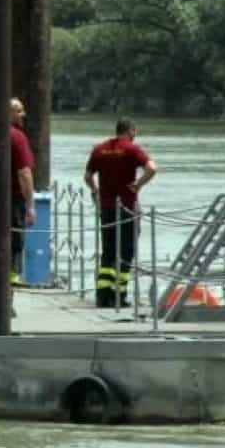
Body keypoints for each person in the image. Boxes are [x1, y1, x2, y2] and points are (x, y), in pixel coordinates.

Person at [84, 118, 157, 308]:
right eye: (135, 132)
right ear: (130, 131)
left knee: (108, 251)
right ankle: (119, 295)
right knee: (126, 250)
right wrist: (138, 185)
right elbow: (152, 168)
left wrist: (95, 191)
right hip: (126, 206)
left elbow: (88, 176)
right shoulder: (132, 149)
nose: (135, 135)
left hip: (106, 207)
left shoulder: (99, 149)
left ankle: (102, 295)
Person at [9, 98, 37, 288]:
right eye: (19, 110)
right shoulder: (17, 137)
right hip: (12, 201)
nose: (23, 114)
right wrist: (31, 206)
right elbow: (24, 173)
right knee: (14, 242)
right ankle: (9, 288)